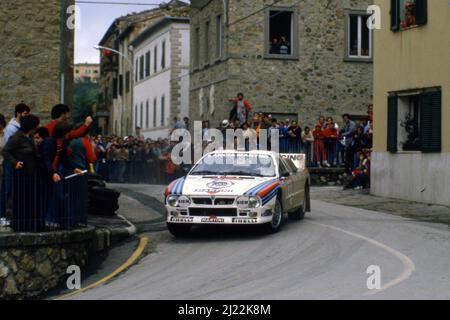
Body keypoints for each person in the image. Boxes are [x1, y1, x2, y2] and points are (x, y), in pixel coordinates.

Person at [2, 115, 44, 232]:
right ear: (31, 126)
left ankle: (28, 224)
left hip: (30, 173)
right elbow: (5, 151)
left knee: (29, 199)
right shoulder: (17, 137)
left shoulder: (28, 137)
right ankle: (20, 224)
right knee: (21, 199)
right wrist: (15, 162)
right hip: (21, 174)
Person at [0, 103, 31, 219]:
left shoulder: (19, 127)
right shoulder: (11, 129)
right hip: (11, 162)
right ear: (18, 113)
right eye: (24, 113)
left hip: (16, 162)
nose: (26, 116)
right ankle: (2, 215)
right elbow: (8, 149)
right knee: (7, 189)